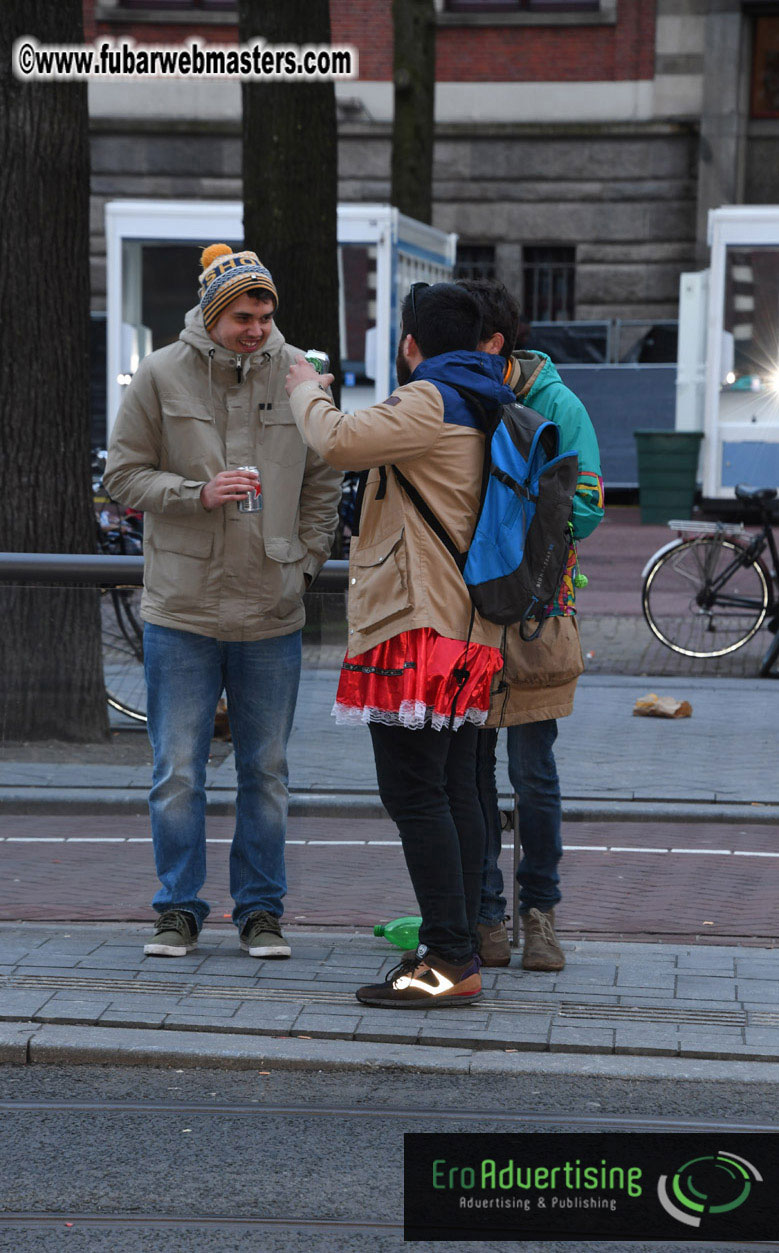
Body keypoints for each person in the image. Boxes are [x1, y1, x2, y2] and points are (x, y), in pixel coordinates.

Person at [104, 244, 341, 960]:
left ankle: (260, 912)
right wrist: (194, 494)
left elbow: (326, 477)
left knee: (265, 771)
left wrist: (302, 561)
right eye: (244, 314)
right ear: (214, 313)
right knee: (176, 770)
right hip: (181, 608)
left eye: (265, 313)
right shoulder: (161, 372)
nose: (258, 327)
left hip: (271, 608)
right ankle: (177, 908)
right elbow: (122, 474)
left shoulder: (297, 373)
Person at [285, 282, 515, 1009]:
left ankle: (447, 958)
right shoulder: (483, 393)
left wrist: (304, 388)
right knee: (452, 788)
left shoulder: (430, 397)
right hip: (467, 625)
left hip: (416, 622)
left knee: (415, 791)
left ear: (411, 344)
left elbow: (337, 441)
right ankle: (459, 939)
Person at [457, 278, 605, 972]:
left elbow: (587, 505)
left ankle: (538, 912)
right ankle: (486, 915)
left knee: (530, 770)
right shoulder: (455, 395)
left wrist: (514, 532)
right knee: (470, 772)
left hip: (533, 615)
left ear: (493, 344)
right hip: (464, 615)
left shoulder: (557, 404)